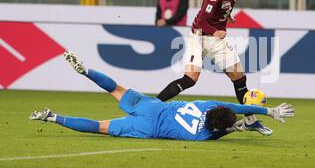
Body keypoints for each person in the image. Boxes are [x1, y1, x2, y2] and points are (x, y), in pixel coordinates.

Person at [29, 51, 295, 141]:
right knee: (100, 127)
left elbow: (233, 109)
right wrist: (243, 127)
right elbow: (228, 128)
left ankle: (86, 70)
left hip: (152, 107)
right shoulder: (204, 136)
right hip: (148, 127)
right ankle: (52, 117)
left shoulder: (207, 104)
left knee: (116, 88)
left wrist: (270, 112)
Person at [155, 0, 274, 136]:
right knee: (190, 79)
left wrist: (226, 16)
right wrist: (215, 31)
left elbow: (219, 10)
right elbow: (202, 20)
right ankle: (153, 105)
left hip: (216, 40)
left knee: (239, 78)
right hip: (199, 37)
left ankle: (250, 120)